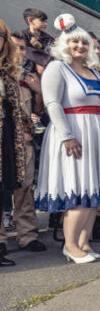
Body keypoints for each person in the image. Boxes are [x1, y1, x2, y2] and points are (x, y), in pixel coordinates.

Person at [37, 15, 100, 263]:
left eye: (84, 43)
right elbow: (52, 103)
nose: (80, 47)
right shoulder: (57, 68)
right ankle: (70, 245)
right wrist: (67, 136)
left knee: (93, 195)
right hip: (75, 134)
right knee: (79, 192)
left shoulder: (93, 73)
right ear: (65, 44)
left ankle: (84, 243)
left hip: (98, 136)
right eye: (74, 42)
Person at [2, 32, 47, 256]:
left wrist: (38, 92)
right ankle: (1, 240)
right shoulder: (4, 75)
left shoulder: (27, 78)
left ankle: (27, 236)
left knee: (25, 190)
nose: (20, 52)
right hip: (4, 140)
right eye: (16, 47)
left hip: (24, 141)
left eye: (22, 48)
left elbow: (37, 111)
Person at [0, 21, 31, 266]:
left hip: (8, 139)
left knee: (9, 189)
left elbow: (16, 109)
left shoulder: (7, 72)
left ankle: (8, 241)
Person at [19, 8, 54, 73]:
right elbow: (24, 54)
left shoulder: (49, 39)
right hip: (24, 74)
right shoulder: (21, 37)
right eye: (42, 21)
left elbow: (52, 58)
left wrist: (40, 47)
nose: (46, 24)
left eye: (46, 21)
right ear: (30, 20)